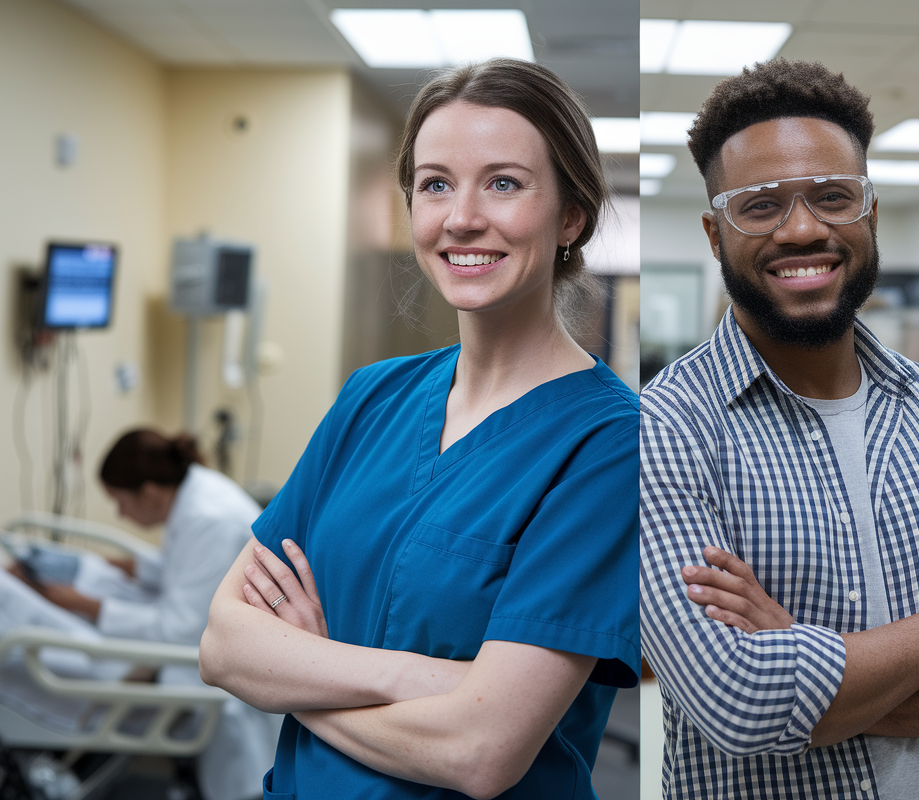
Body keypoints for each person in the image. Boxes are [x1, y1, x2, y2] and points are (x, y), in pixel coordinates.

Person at [639, 59, 919, 800]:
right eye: (759, 206)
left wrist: (808, 667)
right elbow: (740, 703)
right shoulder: (663, 430)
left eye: (832, 197)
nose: (801, 229)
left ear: (871, 214)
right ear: (714, 231)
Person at [199, 57, 640, 800]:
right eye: (435, 184)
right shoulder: (372, 398)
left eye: (504, 182)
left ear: (572, 215)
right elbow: (223, 646)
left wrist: (301, 670)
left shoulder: (609, 443)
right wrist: (421, 679)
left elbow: (482, 751)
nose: (462, 217)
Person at [1, 429, 277, 800]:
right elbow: (175, 570)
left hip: (221, 674)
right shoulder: (194, 492)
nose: (119, 513)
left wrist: (75, 602)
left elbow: (180, 629)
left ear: (148, 492)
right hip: (205, 636)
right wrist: (86, 566)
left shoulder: (208, 518)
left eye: (119, 501)